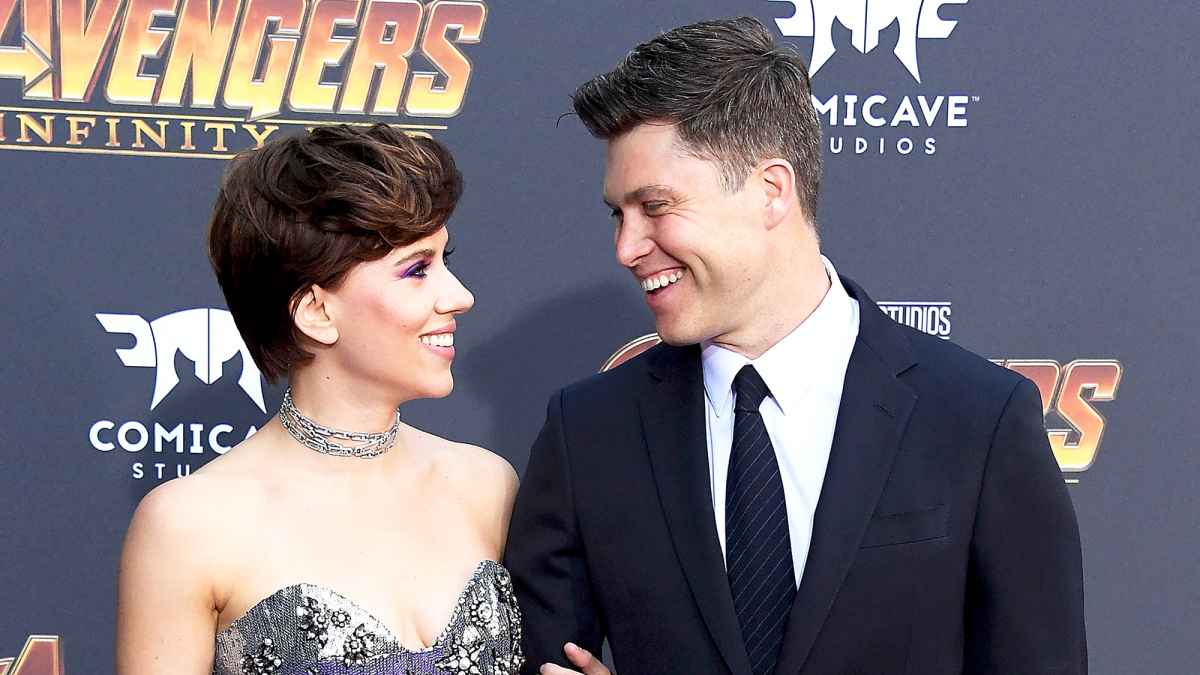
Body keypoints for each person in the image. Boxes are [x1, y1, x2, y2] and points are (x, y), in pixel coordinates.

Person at [505, 17, 1087, 675]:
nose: (627, 247)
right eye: (619, 213)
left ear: (771, 190)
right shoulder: (588, 435)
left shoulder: (978, 419)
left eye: (655, 206)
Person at [115, 124, 524, 675]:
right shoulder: (189, 524)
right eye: (417, 270)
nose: (460, 296)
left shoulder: (487, 485)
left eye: (446, 260)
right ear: (315, 311)